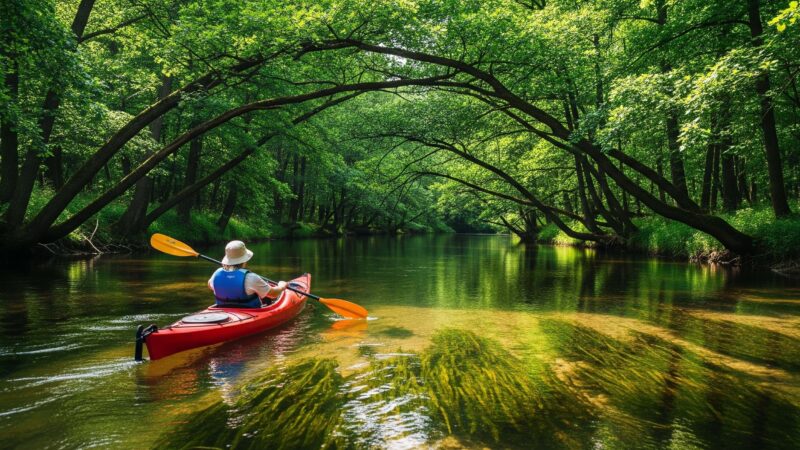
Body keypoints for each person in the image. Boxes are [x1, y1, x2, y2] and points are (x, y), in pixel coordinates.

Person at [208, 240, 287, 308]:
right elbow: (274, 294)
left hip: (223, 310)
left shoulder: (217, 273)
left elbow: (210, 285)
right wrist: (281, 286)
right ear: (245, 260)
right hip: (249, 312)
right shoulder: (251, 278)